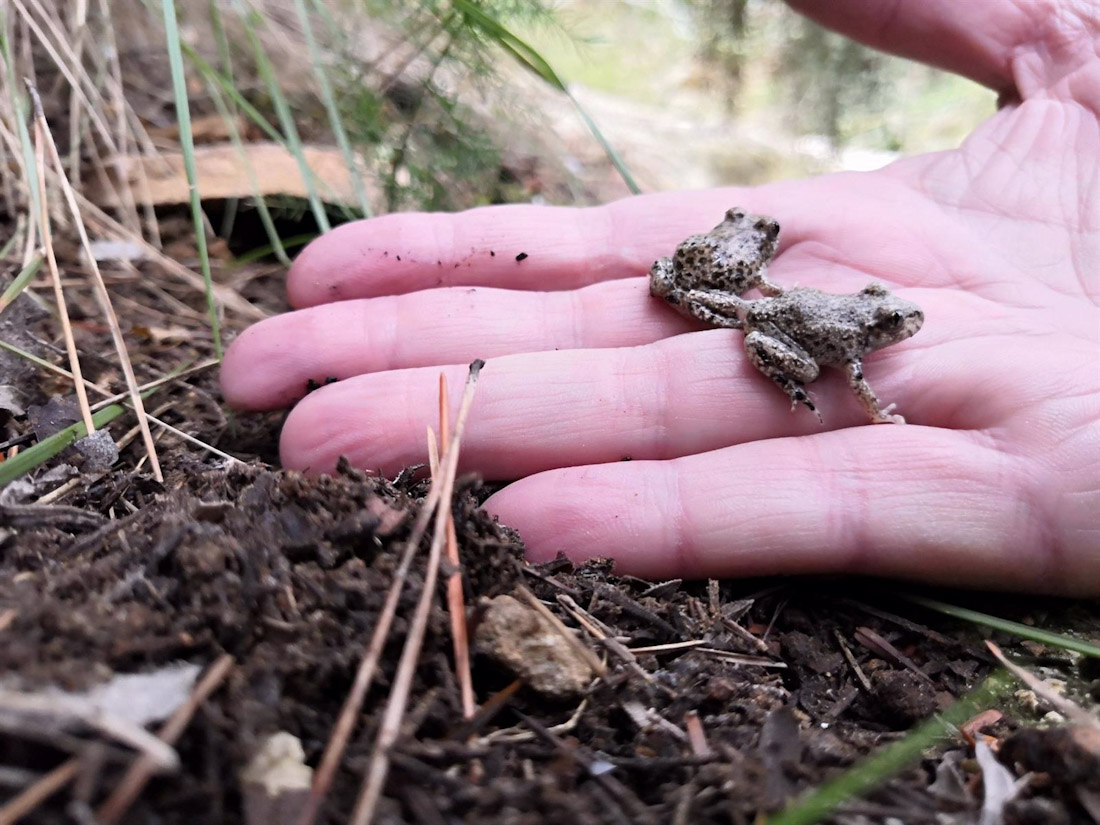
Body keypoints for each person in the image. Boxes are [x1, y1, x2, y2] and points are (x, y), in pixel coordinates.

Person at [220, 0, 1099, 596]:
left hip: (772, 309)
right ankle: (788, 377)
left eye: (890, 316)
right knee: (776, 350)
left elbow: (822, 325)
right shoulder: (843, 339)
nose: (899, 324)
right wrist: (841, 394)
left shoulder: (824, 304)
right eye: (888, 317)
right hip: (774, 323)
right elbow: (852, 377)